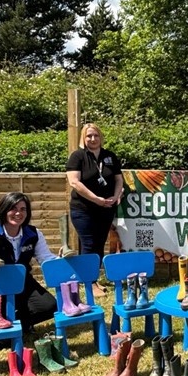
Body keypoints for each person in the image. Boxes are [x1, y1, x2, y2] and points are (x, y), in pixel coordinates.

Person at [0, 192, 58, 333]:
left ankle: (18, 325)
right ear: (3, 210)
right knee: (1, 341)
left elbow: (46, 257)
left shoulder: (33, 233)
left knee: (49, 306)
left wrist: (62, 258)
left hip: (23, 282)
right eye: (13, 208)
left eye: (23, 209)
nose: (18, 213)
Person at [66, 123, 124, 296]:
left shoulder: (109, 156)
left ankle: (93, 280)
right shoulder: (77, 156)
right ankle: (89, 282)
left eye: (95, 135)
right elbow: (74, 182)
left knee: (99, 244)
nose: (92, 139)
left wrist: (115, 196)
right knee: (89, 244)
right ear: (83, 138)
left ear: (101, 137)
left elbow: (119, 179)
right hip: (83, 209)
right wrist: (96, 199)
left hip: (106, 208)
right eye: (88, 136)